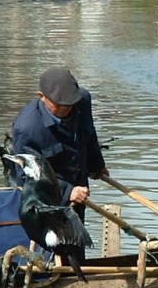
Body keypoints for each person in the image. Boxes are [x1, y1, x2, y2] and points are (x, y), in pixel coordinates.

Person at [10, 66, 109, 258]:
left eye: (71, 104)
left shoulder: (82, 100)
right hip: (51, 198)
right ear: (42, 96)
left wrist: (96, 165)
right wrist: (68, 191)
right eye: (61, 105)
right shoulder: (27, 128)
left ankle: (79, 277)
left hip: (79, 182)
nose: (68, 108)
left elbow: (89, 134)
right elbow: (25, 177)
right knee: (59, 248)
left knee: (76, 245)